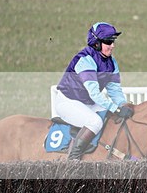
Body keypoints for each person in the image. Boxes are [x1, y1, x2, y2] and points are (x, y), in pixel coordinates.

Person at [55, 22, 133, 160]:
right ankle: (72, 160)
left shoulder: (112, 62)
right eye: (108, 41)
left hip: (87, 103)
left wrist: (122, 105)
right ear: (96, 43)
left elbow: (114, 90)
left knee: (110, 116)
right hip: (68, 101)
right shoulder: (85, 60)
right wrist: (116, 109)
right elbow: (95, 94)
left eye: (113, 41)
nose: (112, 45)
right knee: (95, 122)